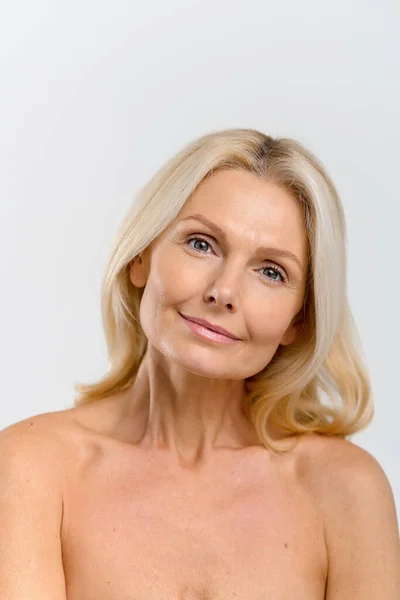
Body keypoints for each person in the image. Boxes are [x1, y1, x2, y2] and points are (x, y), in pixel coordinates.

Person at [1, 128, 399, 599]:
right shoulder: (30, 468)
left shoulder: (345, 492)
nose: (223, 292)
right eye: (201, 244)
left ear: (299, 320)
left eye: (271, 272)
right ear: (142, 257)